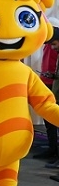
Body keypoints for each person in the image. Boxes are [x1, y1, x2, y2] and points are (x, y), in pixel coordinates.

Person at [37, 28, 59, 163]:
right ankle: (52, 149)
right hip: (47, 82)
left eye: (54, 44)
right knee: (48, 119)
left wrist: (53, 76)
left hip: (54, 85)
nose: (52, 46)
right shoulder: (48, 45)